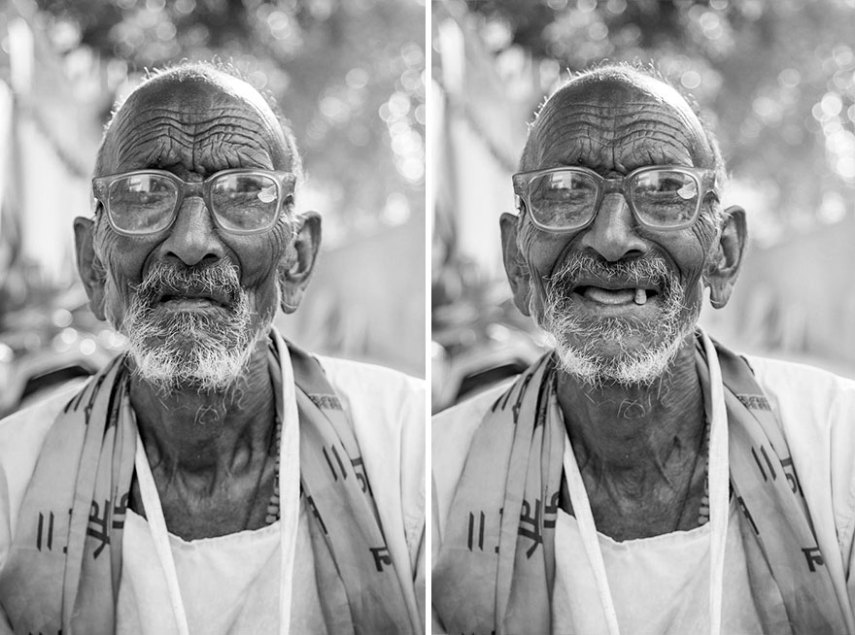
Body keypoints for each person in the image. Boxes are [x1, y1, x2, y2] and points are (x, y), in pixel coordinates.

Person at [0, 63, 424, 635]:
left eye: (244, 193)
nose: (192, 242)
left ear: (296, 259)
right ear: (93, 265)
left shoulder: (407, 450)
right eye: (146, 194)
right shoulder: (11, 478)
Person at [431, 64, 855, 635]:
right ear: (516, 260)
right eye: (564, 191)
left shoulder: (838, 449)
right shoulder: (434, 480)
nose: (610, 238)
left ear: (723, 253)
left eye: (664, 191)